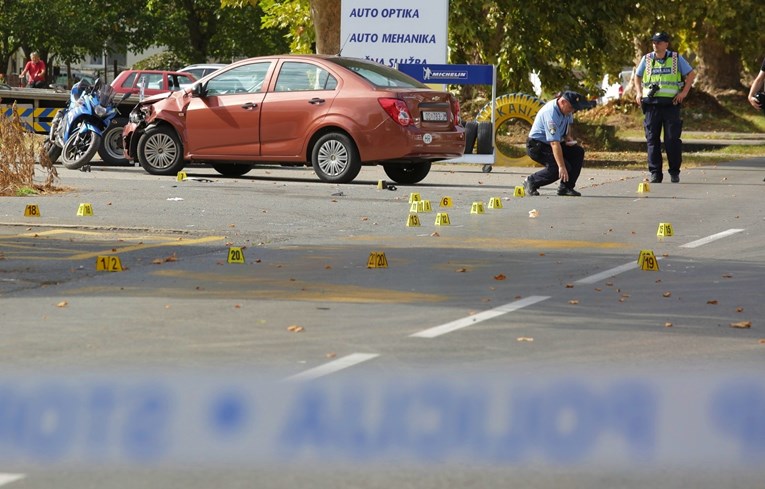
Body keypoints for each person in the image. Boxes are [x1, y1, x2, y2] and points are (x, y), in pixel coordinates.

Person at [634, 32, 696, 183]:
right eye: (654, 42)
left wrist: (684, 93)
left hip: (671, 105)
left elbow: (691, 74)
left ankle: (674, 171)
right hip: (651, 105)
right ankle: (655, 173)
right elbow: (637, 75)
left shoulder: (675, 58)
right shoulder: (647, 59)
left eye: (659, 42)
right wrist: (638, 92)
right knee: (652, 139)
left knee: (672, 140)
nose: (655, 44)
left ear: (666, 44)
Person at [524, 91, 589, 197]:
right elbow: (554, 143)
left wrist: (568, 137)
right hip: (537, 146)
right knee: (560, 168)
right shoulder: (550, 113)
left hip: (553, 142)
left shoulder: (567, 110)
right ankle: (531, 181)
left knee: (578, 152)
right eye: (571, 107)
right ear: (563, 102)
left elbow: (569, 125)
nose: (573, 110)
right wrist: (561, 166)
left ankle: (566, 188)